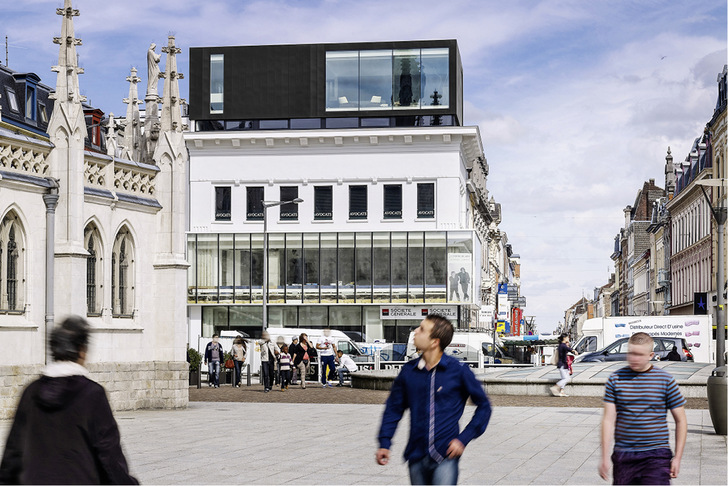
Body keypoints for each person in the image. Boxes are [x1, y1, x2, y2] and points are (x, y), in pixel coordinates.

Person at [0, 316, 138, 485]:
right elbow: (109, 456)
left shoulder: (31, 392)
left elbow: (12, 455)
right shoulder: (92, 395)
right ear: (82, 350)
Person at [376, 315, 492, 485]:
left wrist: (464, 438)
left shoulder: (458, 371)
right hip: (416, 456)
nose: (415, 331)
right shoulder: (409, 371)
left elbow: (484, 406)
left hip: (445, 455)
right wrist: (384, 442)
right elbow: (394, 408)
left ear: (434, 342)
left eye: (422, 329)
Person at [599, 332, 687, 485]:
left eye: (639, 354)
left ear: (651, 355)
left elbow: (681, 421)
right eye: (631, 353)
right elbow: (608, 420)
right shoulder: (615, 379)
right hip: (624, 455)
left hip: (656, 455)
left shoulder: (665, 380)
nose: (634, 358)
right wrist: (604, 456)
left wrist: (678, 457)